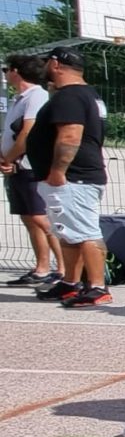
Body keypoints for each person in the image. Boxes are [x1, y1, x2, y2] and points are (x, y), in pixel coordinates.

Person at [27, 46, 111, 308]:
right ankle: (70, 283)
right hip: (77, 176)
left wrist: (58, 171)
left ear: (55, 64)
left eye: (46, 63)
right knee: (68, 231)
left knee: (85, 231)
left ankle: (97, 287)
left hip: (74, 177)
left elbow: (70, 135)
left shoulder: (70, 96)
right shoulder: (87, 94)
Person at [1, 53, 62, 289]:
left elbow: (28, 132)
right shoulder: (19, 98)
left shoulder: (36, 96)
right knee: (29, 218)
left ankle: (63, 268)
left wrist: (9, 158)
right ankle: (41, 268)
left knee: (40, 218)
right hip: (16, 167)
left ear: (16, 71)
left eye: (6, 69)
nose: (5, 74)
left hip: (28, 165)